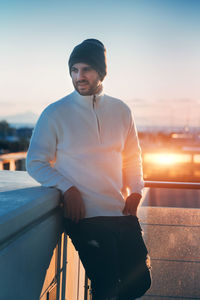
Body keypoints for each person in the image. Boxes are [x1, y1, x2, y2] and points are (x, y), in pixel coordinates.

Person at [26, 38, 151, 300]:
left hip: (121, 212)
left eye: (86, 69)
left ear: (101, 72)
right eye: (74, 70)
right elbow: (35, 162)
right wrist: (67, 188)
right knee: (108, 286)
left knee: (140, 283)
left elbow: (132, 158)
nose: (79, 76)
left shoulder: (122, 110)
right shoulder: (55, 113)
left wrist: (136, 191)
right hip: (84, 218)